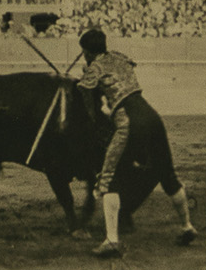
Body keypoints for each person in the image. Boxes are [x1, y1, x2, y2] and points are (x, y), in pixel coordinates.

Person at [76, 22, 194, 258]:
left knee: (109, 178)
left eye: (85, 53)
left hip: (129, 121)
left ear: (88, 52)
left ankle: (112, 240)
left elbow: (85, 92)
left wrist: (92, 105)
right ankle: (187, 226)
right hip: (152, 116)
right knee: (167, 173)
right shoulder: (120, 57)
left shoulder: (94, 67)